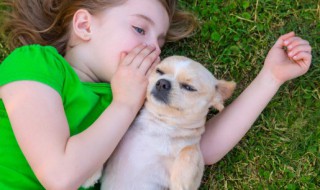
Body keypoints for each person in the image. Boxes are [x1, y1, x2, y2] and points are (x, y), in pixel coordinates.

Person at [0, 0, 312, 189]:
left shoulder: (134, 98)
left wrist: (270, 78)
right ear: (84, 25)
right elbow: (60, 177)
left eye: (159, 41)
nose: (153, 48)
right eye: (140, 29)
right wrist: (123, 104)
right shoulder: (35, 63)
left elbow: (202, 146)